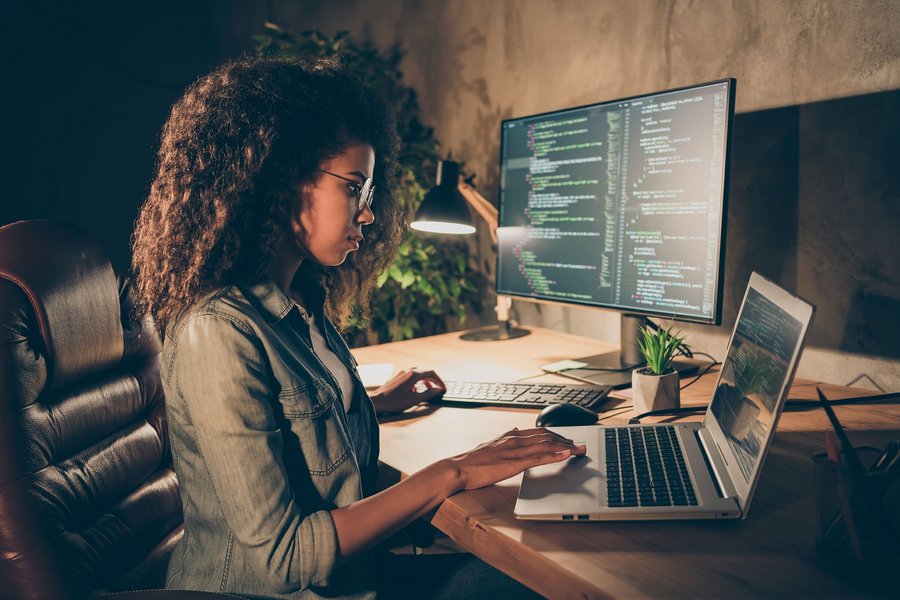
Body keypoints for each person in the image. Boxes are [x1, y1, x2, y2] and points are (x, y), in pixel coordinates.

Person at [131, 56, 584, 599]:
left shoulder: (301, 302)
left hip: (355, 578)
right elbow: (285, 558)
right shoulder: (218, 332)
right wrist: (454, 471)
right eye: (354, 187)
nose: (368, 213)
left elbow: (300, 428)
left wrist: (370, 403)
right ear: (279, 178)